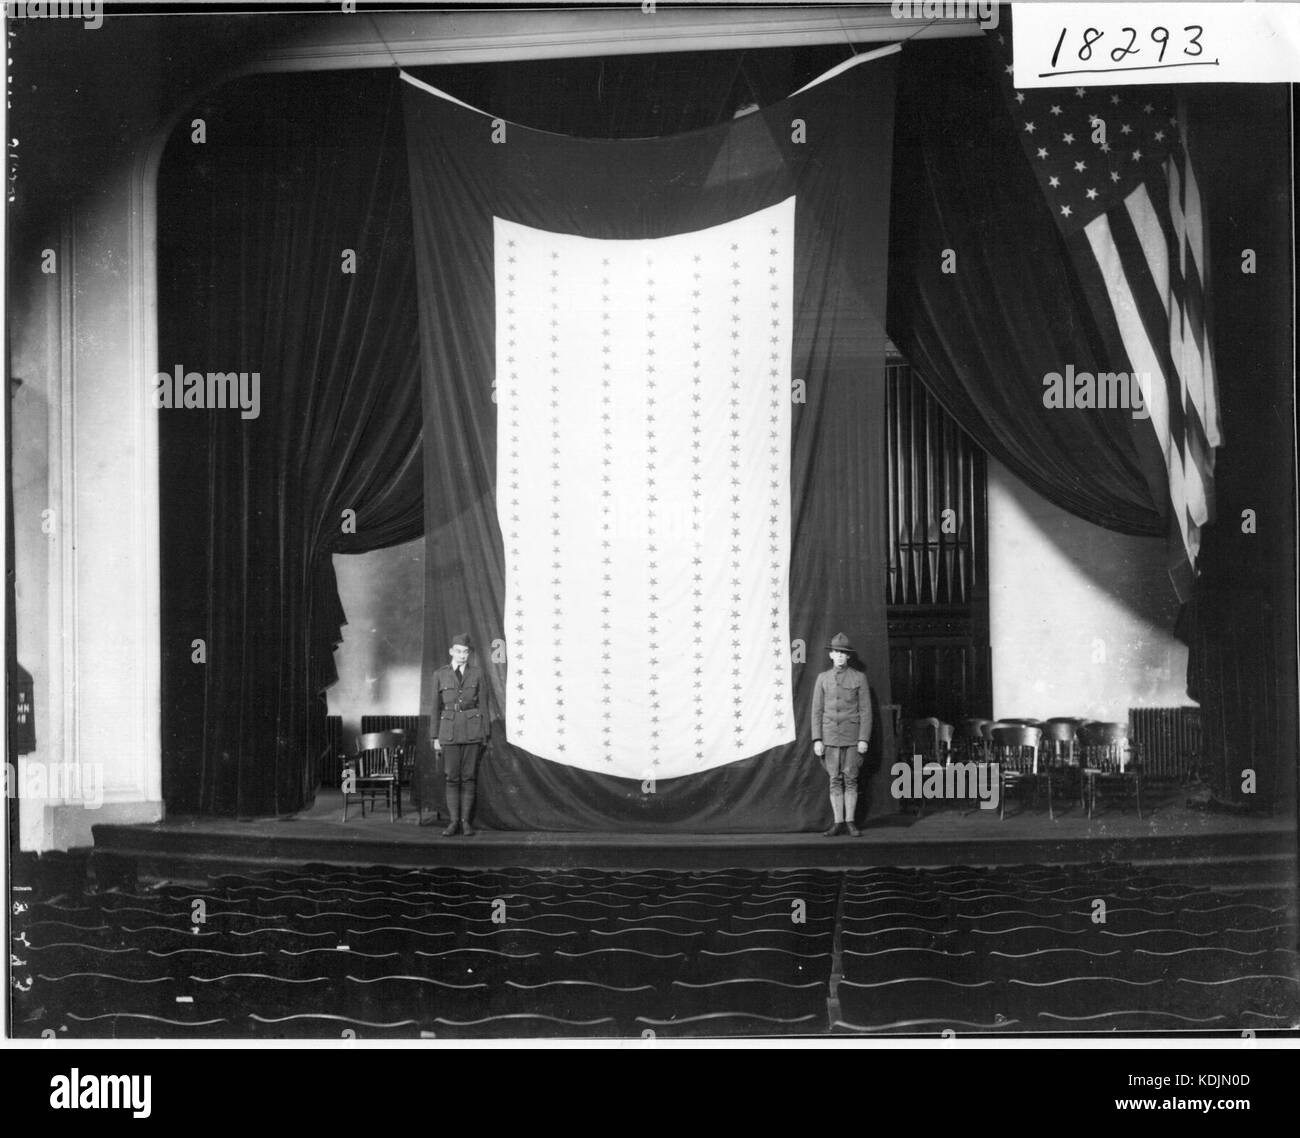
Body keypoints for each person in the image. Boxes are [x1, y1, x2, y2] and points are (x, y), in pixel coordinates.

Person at [811, 632, 872, 837]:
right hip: (829, 737)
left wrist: (863, 738)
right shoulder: (822, 679)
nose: (839, 656)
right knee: (834, 779)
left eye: (842, 653)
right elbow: (816, 711)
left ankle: (850, 822)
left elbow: (866, 711)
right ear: (830, 655)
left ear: (848, 656)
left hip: (852, 737)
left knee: (851, 779)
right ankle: (837, 822)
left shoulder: (859, 678)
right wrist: (817, 738)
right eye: (836, 652)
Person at [429, 632, 488, 837]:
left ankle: (466, 823)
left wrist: (484, 734)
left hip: (473, 731)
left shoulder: (478, 673)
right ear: (451, 652)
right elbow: (435, 708)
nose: (463, 655)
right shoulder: (440, 674)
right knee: (452, 778)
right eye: (459, 651)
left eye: (466, 652)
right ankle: (453, 822)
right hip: (449, 732)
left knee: (469, 777)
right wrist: (435, 737)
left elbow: (484, 706)